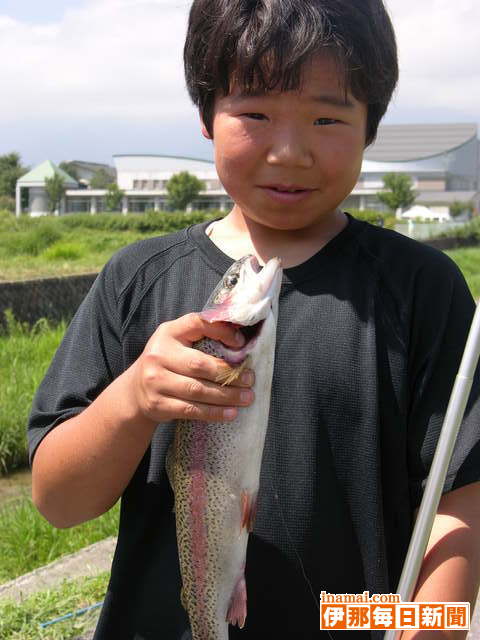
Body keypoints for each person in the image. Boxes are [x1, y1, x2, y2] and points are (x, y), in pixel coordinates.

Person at [28, 1, 480, 639]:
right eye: (256, 113)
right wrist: (132, 398)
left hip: (350, 624)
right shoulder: (138, 278)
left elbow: (459, 496)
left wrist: (432, 625)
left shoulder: (421, 288)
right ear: (208, 118)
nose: (289, 151)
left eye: (327, 116)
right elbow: (57, 500)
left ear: (371, 127)